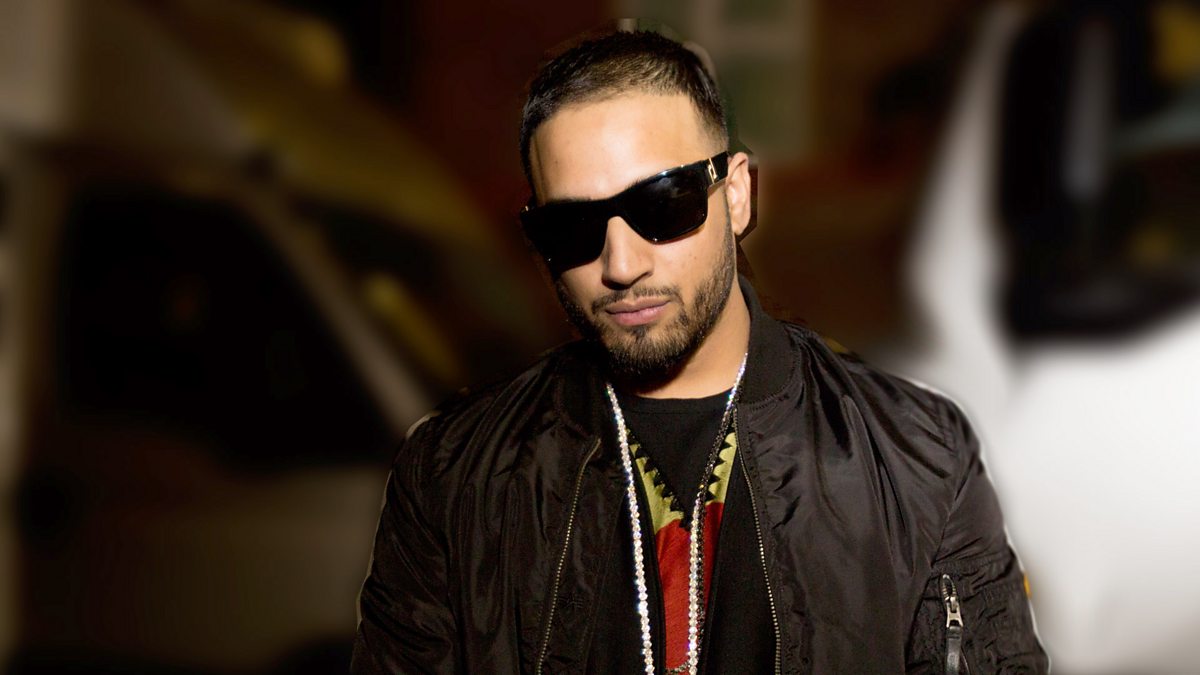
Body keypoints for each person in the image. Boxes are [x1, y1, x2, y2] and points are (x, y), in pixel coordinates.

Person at [350, 28, 1048, 674]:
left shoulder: (917, 457)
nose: (621, 264)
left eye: (663, 204)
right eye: (572, 228)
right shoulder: (453, 475)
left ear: (736, 194)